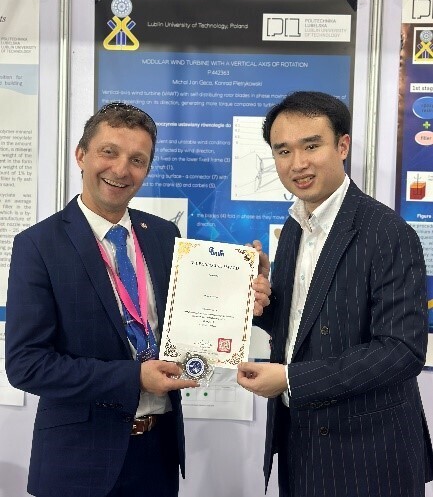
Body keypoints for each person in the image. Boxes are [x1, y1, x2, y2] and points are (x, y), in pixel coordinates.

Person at [5, 101, 270, 497]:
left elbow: (190, 321)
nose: (121, 169)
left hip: (157, 455)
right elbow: (26, 365)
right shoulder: (39, 245)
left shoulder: (163, 236)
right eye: (108, 152)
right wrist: (134, 378)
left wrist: (244, 298)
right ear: (81, 155)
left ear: (147, 169)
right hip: (78, 463)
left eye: (137, 160)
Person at [237, 91, 433, 497]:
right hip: (301, 440)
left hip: (369, 453)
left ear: (342, 146)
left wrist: (290, 379)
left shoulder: (388, 233)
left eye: (311, 146)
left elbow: (401, 351)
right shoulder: (296, 226)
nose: (297, 163)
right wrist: (262, 304)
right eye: (283, 151)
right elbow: (305, 325)